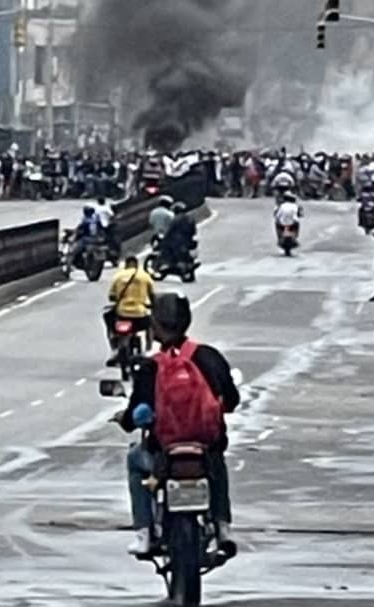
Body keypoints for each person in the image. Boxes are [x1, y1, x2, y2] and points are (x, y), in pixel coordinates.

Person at [114, 292, 240, 555]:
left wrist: (125, 420)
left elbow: (136, 411)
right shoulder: (209, 357)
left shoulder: (152, 366)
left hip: (164, 451)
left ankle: (144, 533)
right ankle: (223, 525)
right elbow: (231, 399)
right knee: (216, 462)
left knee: (135, 462)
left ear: (156, 325)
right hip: (205, 447)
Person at [103, 256, 155, 363]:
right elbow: (152, 295)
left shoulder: (118, 276)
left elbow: (111, 296)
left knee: (109, 323)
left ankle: (114, 349)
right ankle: (149, 349)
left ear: (126, 265)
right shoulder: (144, 276)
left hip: (122, 313)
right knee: (151, 325)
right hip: (139, 313)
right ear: (137, 265)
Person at [161, 202, 196, 269]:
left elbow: (170, 230)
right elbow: (193, 230)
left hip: (178, 242)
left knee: (166, 246)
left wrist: (165, 237)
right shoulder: (190, 218)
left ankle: (172, 263)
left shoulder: (176, 219)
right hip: (188, 240)